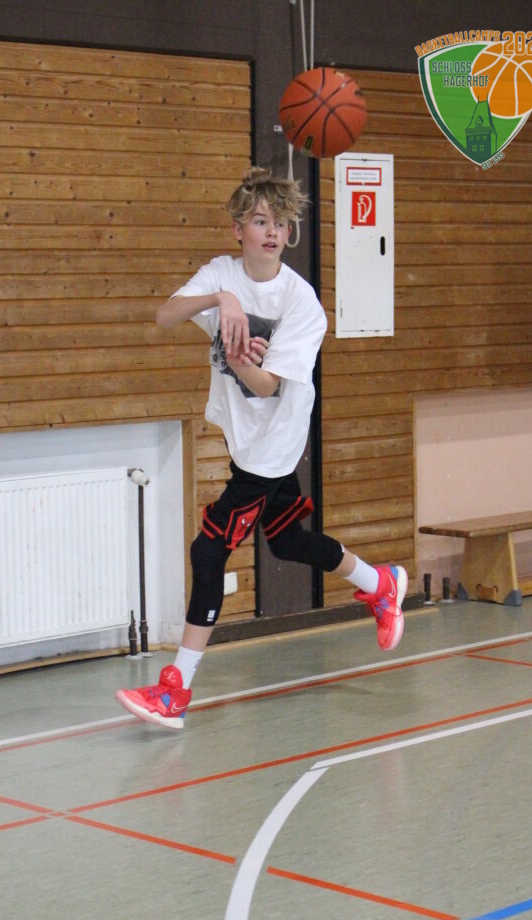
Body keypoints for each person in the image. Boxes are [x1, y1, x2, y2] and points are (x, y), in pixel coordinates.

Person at [115, 166, 407, 730]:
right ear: (238, 230)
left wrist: (240, 356)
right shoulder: (222, 274)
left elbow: (270, 386)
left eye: (281, 224)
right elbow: (165, 314)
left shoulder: (302, 304)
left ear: (289, 234)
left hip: (273, 445)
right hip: (244, 436)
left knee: (208, 552)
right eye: (260, 221)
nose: (273, 232)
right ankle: (381, 584)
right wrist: (221, 299)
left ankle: (175, 692)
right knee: (289, 541)